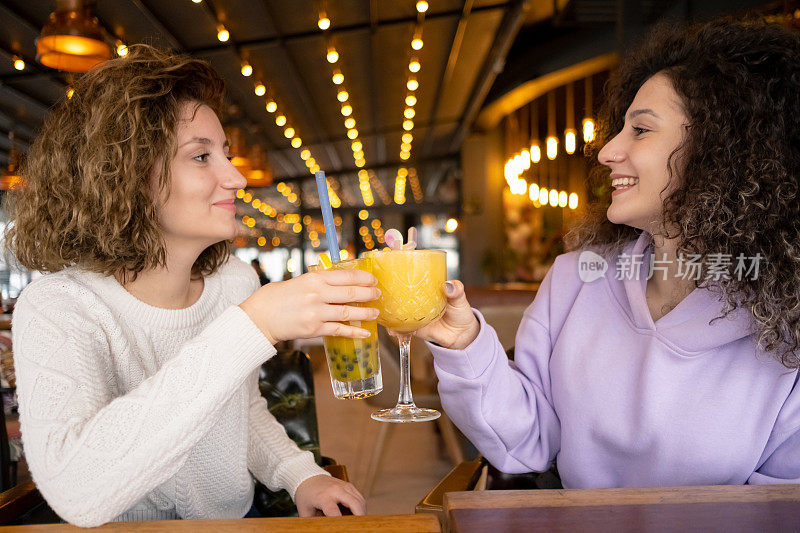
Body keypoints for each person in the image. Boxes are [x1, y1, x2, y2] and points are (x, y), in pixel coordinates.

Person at [416, 19, 800, 487]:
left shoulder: (786, 320)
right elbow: (528, 441)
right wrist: (463, 343)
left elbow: (779, 506)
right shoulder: (576, 278)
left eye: (640, 130)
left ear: (724, 150)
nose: (606, 151)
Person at [4, 45, 377, 526]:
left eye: (225, 153)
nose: (237, 178)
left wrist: (299, 474)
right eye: (201, 156)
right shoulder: (57, 307)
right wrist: (252, 325)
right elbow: (78, 491)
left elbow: (240, 411)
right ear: (125, 177)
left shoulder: (233, 283)